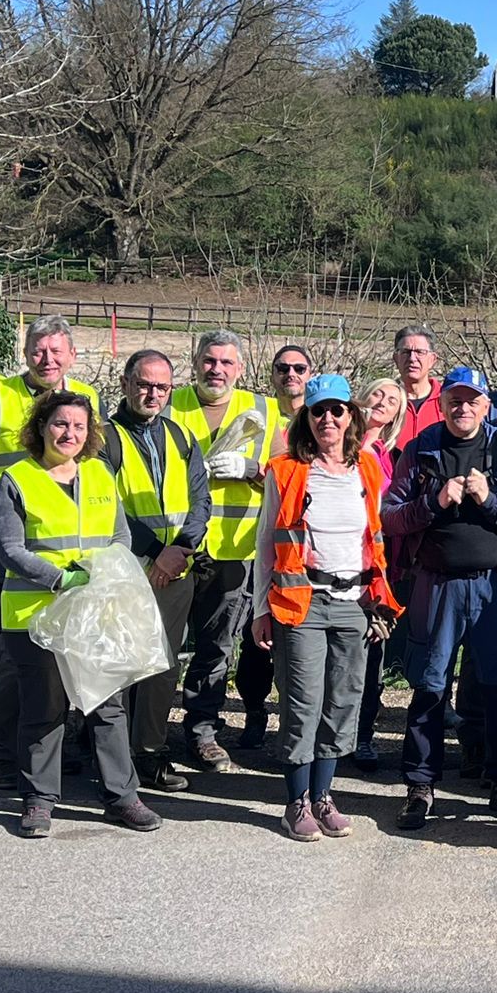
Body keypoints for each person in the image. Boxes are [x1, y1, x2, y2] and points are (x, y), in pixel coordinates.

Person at [0, 389, 159, 838]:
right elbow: (9, 550)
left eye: (80, 426)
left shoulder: (100, 474)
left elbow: (120, 538)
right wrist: (61, 579)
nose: (70, 433)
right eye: (61, 424)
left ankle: (122, 797)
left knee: (107, 706)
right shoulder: (17, 479)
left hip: (94, 614)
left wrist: (105, 574)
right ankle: (39, 800)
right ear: (41, 426)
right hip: (35, 615)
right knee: (44, 710)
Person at [383, 365, 497, 828]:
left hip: (496, 586)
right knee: (430, 687)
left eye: (472, 399)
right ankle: (420, 784)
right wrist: (434, 502)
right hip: (437, 583)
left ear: (486, 405)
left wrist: (490, 499)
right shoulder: (421, 448)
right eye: (455, 398)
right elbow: (391, 516)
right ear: (443, 402)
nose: (463, 406)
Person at [251, 375, 402, 842]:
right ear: (306, 418)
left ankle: (323, 796)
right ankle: (295, 803)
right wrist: (259, 608)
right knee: (303, 703)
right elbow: (264, 545)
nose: (328, 419)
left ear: (351, 416)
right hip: (301, 602)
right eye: (318, 411)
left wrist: (377, 599)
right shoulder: (286, 470)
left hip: (354, 603)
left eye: (337, 410)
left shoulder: (368, 470)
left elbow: (372, 541)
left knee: (343, 701)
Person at [0, 314, 103, 791]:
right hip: (12, 548)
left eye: (57, 351)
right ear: (24, 352)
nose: (48, 359)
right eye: (39, 350)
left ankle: (51, 753)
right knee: (15, 663)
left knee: (69, 655)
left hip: (76, 555)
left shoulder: (87, 401)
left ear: (73, 356)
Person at [100, 350, 211, 793]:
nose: (153, 394)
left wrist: (182, 549)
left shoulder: (181, 437)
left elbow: (201, 500)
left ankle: (149, 752)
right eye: (144, 384)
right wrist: (156, 552)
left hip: (174, 572)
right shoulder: (103, 438)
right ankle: (110, 756)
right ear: (126, 383)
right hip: (126, 569)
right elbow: (107, 505)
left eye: (162, 387)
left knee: (163, 666)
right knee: (121, 667)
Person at [169, 330, 272, 770]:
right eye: (209, 361)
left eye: (227, 363)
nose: (217, 370)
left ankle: (202, 730)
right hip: (173, 545)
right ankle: (145, 731)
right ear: (195, 362)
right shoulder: (171, 404)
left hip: (234, 547)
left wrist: (252, 469)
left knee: (216, 646)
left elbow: (286, 475)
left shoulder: (262, 410)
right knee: (160, 643)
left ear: (241, 369)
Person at [227, 344, 313, 750]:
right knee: (256, 640)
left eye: (299, 368)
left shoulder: (322, 416)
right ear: (272, 373)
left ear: (310, 374)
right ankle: (256, 711)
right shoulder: (258, 415)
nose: (290, 374)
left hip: (306, 549)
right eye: (283, 368)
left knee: (303, 643)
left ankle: (298, 726)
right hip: (253, 540)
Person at [350, 377, 408, 770]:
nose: (382, 402)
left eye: (392, 400)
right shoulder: (338, 446)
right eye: (378, 393)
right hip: (338, 564)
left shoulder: (392, 457)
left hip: (377, 567)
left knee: (372, 651)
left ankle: (363, 736)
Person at [392, 325, 446, 452]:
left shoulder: (448, 401)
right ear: (396, 358)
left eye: (420, 352)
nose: (412, 359)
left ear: (433, 359)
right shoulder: (385, 403)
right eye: (405, 352)